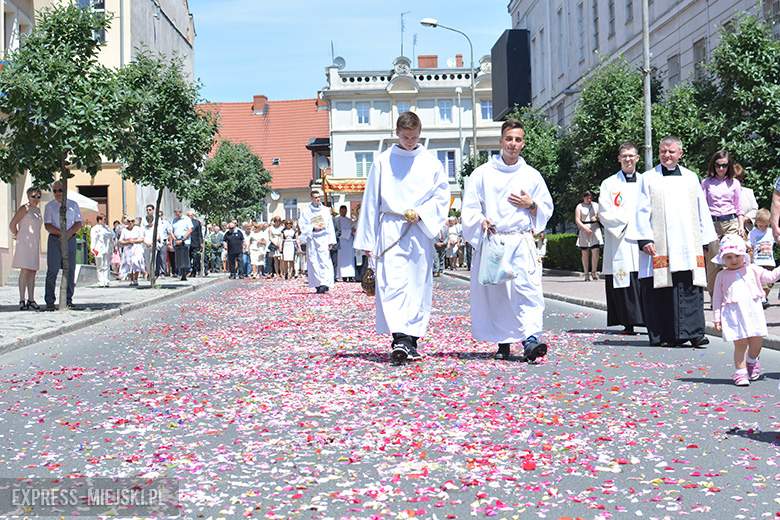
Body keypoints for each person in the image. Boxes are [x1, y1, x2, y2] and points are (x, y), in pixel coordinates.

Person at [354, 111, 450, 362]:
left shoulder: (431, 163)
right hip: (390, 229)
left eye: (414, 137)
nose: (410, 142)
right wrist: (367, 241)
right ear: (397, 133)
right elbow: (371, 201)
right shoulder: (382, 162)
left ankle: (411, 341)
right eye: (406, 137)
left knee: (417, 284)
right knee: (392, 284)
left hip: (419, 230)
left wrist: (423, 213)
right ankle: (400, 339)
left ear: (420, 134)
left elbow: (442, 198)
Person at [462, 118, 553, 362]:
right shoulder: (482, 174)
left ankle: (531, 340)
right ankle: (503, 342)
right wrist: (480, 221)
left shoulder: (531, 175)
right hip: (495, 241)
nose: (513, 144)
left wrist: (531, 205)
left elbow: (546, 208)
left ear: (523, 143)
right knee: (499, 294)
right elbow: (470, 208)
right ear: (501, 141)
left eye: (518, 139)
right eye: (509, 139)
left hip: (521, 240)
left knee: (528, 291)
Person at [626, 136, 717, 347]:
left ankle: (695, 333)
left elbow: (701, 210)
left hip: (687, 244)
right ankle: (664, 335)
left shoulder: (691, 178)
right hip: (659, 246)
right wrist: (645, 239)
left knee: (690, 286)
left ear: (680, 154)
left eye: (671, 151)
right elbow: (640, 210)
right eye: (663, 151)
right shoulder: (648, 178)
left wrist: (703, 242)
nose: (667, 155)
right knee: (660, 289)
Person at [712, 235, 780, 386]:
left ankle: (752, 360)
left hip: (753, 314)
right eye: (729, 257)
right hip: (734, 315)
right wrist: (717, 318)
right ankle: (740, 372)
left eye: (737, 256)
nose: (734, 260)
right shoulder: (721, 275)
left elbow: (770, 277)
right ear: (723, 258)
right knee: (740, 344)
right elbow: (717, 298)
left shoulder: (752, 269)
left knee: (756, 345)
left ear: (744, 255)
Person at [598, 142, 645, 334]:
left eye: (631, 156)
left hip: (642, 237)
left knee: (643, 278)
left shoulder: (646, 181)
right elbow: (604, 211)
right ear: (619, 159)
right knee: (624, 279)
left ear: (637, 158)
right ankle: (628, 322)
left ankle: (648, 320)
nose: (628, 159)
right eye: (624, 156)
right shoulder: (609, 184)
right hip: (621, 239)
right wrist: (626, 222)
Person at [701, 150, 745, 298]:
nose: (721, 168)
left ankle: (733, 294)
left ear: (729, 166)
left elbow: (739, 208)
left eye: (724, 165)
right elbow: (701, 207)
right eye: (718, 165)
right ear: (713, 166)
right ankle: (715, 297)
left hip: (731, 222)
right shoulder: (706, 183)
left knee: (732, 259)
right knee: (713, 263)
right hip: (712, 224)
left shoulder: (734, 183)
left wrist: (741, 227)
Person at [43, 180, 83, 310]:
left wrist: (69, 233)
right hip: (55, 239)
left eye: (60, 190)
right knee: (52, 270)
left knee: (70, 270)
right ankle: (50, 300)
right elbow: (47, 225)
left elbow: (78, 222)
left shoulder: (73, 205)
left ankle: (68, 299)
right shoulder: (50, 206)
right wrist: (62, 233)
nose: (57, 193)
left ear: (65, 190)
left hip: (70, 238)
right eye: (55, 191)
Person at [10, 187, 43, 310]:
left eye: (38, 197)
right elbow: (12, 224)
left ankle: (31, 299)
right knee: (24, 271)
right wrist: (18, 234)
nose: (35, 199)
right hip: (24, 243)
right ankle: (22, 299)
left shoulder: (38, 210)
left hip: (34, 244)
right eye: (33, 196)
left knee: (33, 272)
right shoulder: (24, 209)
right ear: (28, 196)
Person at [300, 190, 337, 293]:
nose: (318, 199)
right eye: (315, 197)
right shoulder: (306, 211)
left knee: (324, 261)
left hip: (323, 238)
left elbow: (330, 226)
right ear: (311, 198)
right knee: (314, 261)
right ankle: (317, 284)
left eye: (319, 197)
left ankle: (325, 283)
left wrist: (331, 241)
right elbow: (302, 225)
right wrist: (313, 228)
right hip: (313, 239)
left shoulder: (325, 210)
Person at [748, 208, 775, 308]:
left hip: (769, 262)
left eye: (766, 226)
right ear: (756, 222)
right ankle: (763, 299)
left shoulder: (771, 232)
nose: (763, 228)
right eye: (760, 226)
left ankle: (763, 297)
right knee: (762, 283)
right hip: (758, 262)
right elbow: (749, 243)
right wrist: (747, 245)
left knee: (769, 284)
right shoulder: (753, 233)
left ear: (770, 222)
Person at [575, 189, 603, 281]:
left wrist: (596, 217)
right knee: (585, 252)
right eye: (587, 198)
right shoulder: (579, 206)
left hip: (595, 229)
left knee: (596, 251)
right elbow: (577, 220)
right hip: (584, 230)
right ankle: (586, 274)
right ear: (583, 198)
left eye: (591, 198)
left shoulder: (596, 205)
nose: (589, 200)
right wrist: (585, 228)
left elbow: (601, 216)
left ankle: (594, 272)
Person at [118, 216, 145, 286]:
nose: (130, 223)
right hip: (128, 248)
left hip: (136, 248)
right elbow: (120, 240)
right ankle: (132, 279)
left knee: (136, 262)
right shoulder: (124, 230)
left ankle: (136, 279)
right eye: (129, 221)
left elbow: (142, 239)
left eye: (132, 221)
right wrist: (128, 242)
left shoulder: (138, 229)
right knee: (129, 263)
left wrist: (134, 241)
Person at [90, 213, 114, 287]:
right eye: (104, 219)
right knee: (100, 266)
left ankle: (106, 281)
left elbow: (111, 239)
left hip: (107, 249)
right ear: (99, 220)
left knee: (106, 265)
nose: (105, 221)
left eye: (105, 219)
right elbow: (93, 239)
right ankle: (100, 281)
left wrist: (113, 248)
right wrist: (92, 248)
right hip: (99, 249)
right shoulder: (95, 229)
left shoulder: (107, 228)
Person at [169, 208, 193, 281]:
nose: (177, 216)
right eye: (176, 214)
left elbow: (190, 230)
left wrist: (183, 238)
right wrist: (175, 239)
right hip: (177, 241)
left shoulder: (187, 219)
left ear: (181, 213)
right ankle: (180, 273)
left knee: (185, 257)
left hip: (185, 241)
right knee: (178, 258)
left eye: (178, 214)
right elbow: (171, 231)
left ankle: (187, 271)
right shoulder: (174, 220)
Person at [335, 205, 356, 282]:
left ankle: (350, 276)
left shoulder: (349, 221)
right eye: (342, 211)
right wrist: (349, 232)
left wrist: (352, 232)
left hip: (349, 243)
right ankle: (343, 276)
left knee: (350, 259)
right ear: (340, 211)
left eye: (345, 211)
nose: (343, 213)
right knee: (341, 260)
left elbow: (353, 230)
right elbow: (338, 231)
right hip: (341, 242)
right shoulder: (337, 220)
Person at [734, 165, 758, 233]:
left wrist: (744, 219)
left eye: (740, 181)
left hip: (747, 230)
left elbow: (755, 210)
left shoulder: (749, 192)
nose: (738, 184)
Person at [187, 210, 204, 277]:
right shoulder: (185, 222)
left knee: (195, 257)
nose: (190, 217)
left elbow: (200, 233)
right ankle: (188, 271)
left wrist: (201, 242)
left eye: (191, 215)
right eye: (188, 215)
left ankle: (194, 271)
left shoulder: (197, 222)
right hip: (187, 242)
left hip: (195, 242)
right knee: (188, 257)